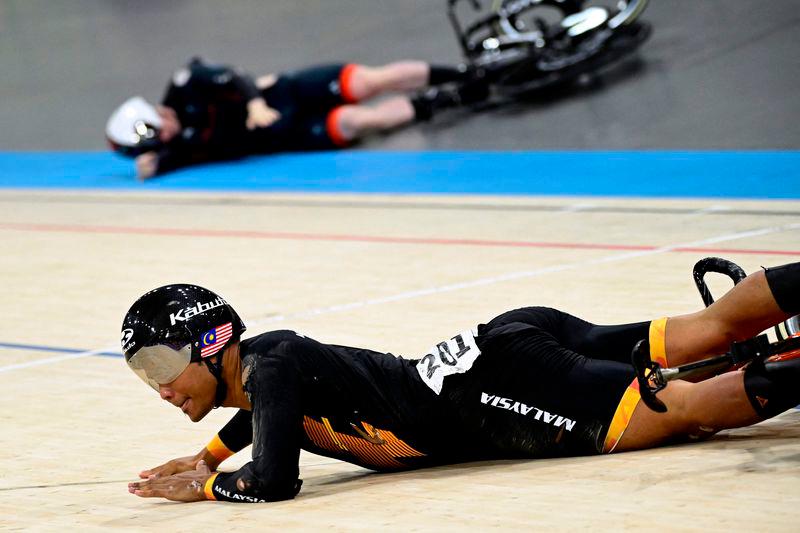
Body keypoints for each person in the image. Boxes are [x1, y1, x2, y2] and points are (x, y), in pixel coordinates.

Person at [122, 261, 799, 503]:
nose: (159, 388)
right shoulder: (269, 366)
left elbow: (274, 480)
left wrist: (209, 484)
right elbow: (274, 408)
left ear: (213, 344)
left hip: (500, 391)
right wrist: (209, 452)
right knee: (708, 329)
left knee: (684, 409)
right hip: (505, 345)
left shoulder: (270, 367)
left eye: (160, 365)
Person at [106, 58, 485, 180]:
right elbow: (165, 160)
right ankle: (446, 98)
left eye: (160, 132)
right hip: (289, 133)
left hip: (287, 94)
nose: (167, 138)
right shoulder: (176, 148)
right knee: (358, 120)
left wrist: (254, 102)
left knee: (370, 80)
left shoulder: (185, 84)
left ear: (155, 113)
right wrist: (153, 162)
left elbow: (233, 75)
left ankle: (458, 72)